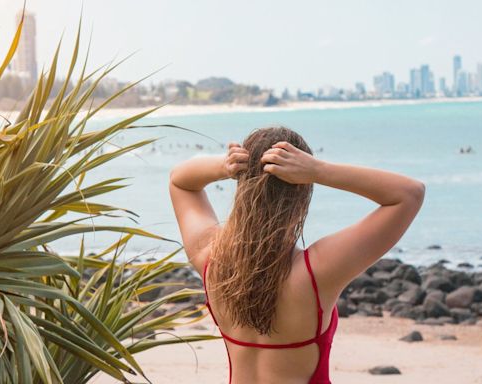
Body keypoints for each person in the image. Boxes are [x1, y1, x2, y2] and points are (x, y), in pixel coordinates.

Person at [169, 126, 425, 384]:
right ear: (303, 191)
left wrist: (224, 166)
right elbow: (408, 194)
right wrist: (320, 171)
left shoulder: (211, 259)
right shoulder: (317, 272)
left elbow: (180, 182)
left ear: (241, 184)